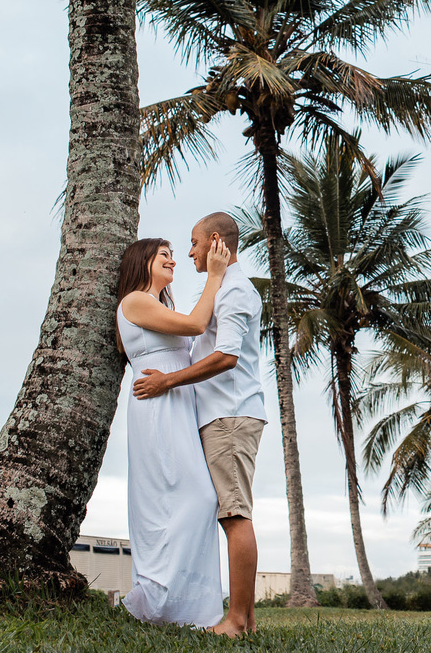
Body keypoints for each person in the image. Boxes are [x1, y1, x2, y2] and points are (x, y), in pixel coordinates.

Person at [133, 212, 268, 637]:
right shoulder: (226, 288)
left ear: (213, 241)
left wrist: (167, 381)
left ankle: (236, 621)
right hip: (221, 415)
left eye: (191, 243)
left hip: (229, 415)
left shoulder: (233, 291)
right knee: (229, 510)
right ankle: (242, 617)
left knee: (234, 514)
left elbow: (227, 355)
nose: (188, 252)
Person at [115, 236, 229, 628]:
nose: (173, 262)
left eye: (174, 257)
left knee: (193, 499)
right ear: (142, 260)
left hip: (178, 403)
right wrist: (215, 275)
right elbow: (197, 324)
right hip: (158, 406)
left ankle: (179, 606)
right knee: (186, 498)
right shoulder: (135, 301)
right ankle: (158, 600)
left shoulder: (162, 305)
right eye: (164, 256)